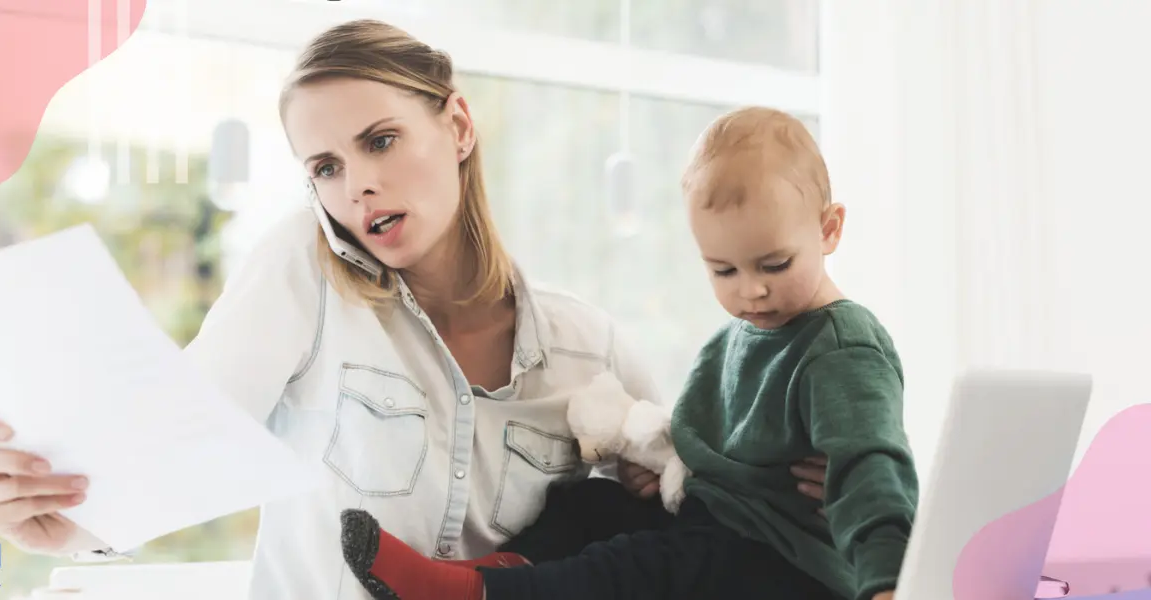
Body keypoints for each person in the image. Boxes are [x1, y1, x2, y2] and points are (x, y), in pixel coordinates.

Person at [0, 21, 831, 599]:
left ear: (456, 126)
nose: (356, 184)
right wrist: (57, 513)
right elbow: (182, 437)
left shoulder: (584, 345)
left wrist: (815, 491)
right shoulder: (309, 279)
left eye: (378, 141)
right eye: (324, 167)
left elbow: (693, 508)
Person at [337, 106, 920, 600]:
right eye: (723, 270)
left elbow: (870, 472)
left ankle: (481, 596)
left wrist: (887, 584)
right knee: (592, 502)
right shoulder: (736, 336)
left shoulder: (840, 348)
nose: (751, 290)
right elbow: (709, 447)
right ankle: (483, 575)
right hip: (721, 522)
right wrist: (662, 469)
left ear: (829, 230)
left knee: (650, 562)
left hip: (789, 564)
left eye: (774, 265)